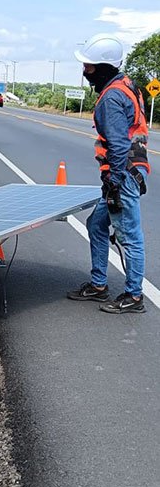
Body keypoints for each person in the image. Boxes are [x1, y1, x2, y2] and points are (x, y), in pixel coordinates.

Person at [67, 35, 150, 313]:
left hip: (122, 176)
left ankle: (134, 297)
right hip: (128, 172)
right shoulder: (126, 85)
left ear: (103, 67)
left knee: (130, 237)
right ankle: (99, 284)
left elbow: (117, 144)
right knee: (96, 225)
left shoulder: (111, 97)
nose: (85, 71)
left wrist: (113, 183)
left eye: (89, 67)